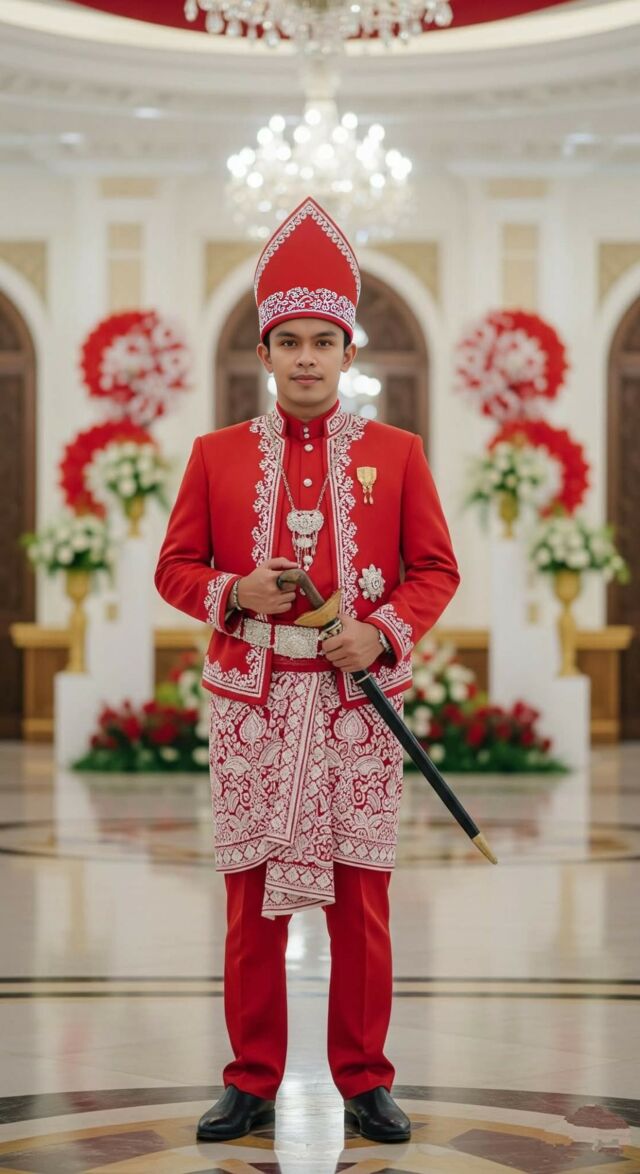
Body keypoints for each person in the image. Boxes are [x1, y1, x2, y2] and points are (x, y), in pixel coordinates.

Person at [154, 196, 460, 1144]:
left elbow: (435, 570)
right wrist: (235, 591)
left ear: (347, 351)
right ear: (265, 352)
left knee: (361, 899)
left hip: (353, 708)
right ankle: (250, 1080)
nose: (307, 359)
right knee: (252, 901)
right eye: (289, 342)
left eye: (324, 342)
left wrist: (382, 634)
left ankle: (365, 1080)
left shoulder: (398, 455)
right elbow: (174, 568)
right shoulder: (214, 457)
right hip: (253, 707)